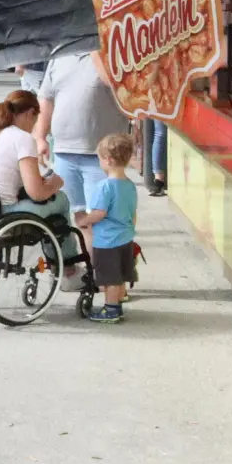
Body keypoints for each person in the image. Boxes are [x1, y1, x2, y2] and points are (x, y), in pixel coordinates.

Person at [0, 90, 77, 266]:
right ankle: (67, 265)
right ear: (30, 113)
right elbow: (36, 193)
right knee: (61, 200)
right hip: (3, 213)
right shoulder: (22, 138)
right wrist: (56, 183)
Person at [31, 52, 129, 229]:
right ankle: (92, 257)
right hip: (63, 154)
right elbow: (46, 99)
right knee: (80, 219)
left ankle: (105, 257)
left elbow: (121, 87)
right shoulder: (60, 56)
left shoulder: (113, 52)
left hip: (102, 156)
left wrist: (97, 54)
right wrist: (40, 137)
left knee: (104, 220)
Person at [80, 133, 139, 324]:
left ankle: (111, 309)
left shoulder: (104, 187)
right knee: (121, 274)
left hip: (107, 241)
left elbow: (100, 213)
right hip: (125, 237)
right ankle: (118, 303)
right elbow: (133, 213)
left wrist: (86, 220)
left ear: (108, 159)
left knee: (110, 278)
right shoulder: (130, 186)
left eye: (100, 159)